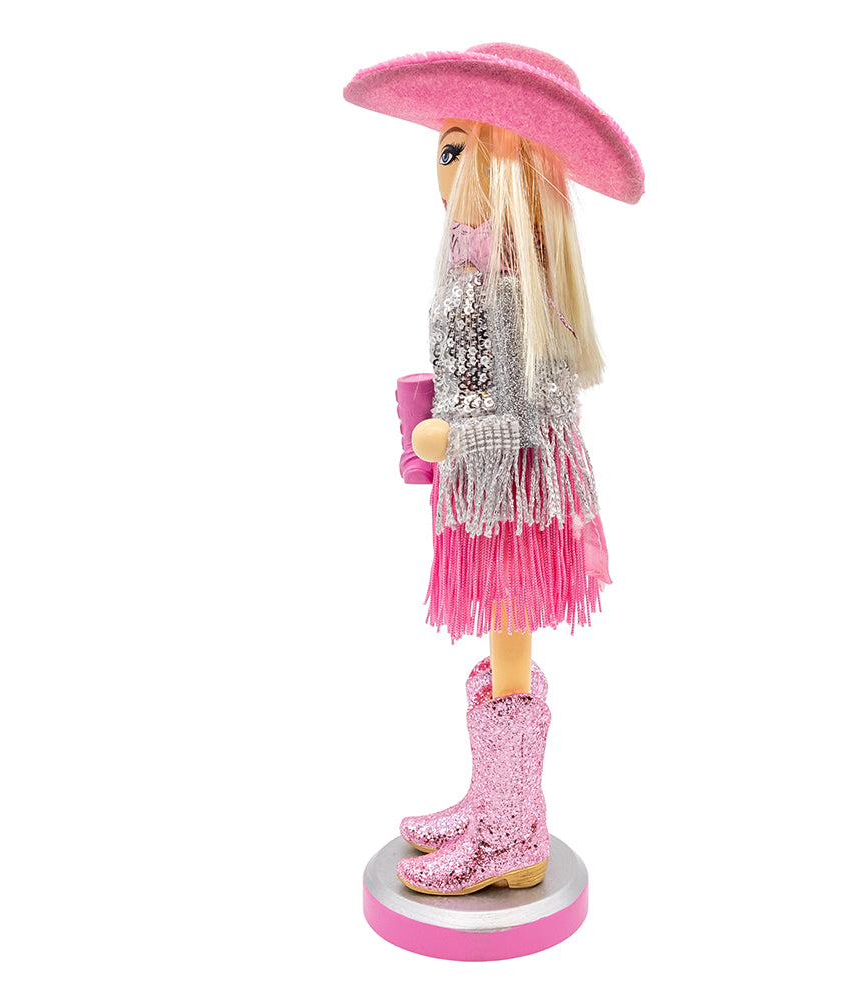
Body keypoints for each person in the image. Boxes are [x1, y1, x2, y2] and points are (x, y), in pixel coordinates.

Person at [344, 43, 643, 895]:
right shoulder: (485, 273)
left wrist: (446, 438)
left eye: (458, 151)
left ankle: (512, 835)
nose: (444, 174)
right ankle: (494, 806)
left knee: (510, 643)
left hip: (512, 498)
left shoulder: (504, 289)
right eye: (444, 151)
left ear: (503, 162)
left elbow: (517, 420)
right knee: (502, 645)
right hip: (494, 499)